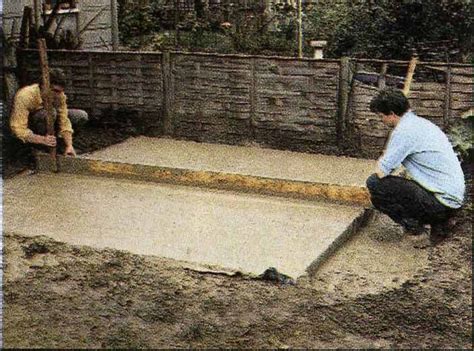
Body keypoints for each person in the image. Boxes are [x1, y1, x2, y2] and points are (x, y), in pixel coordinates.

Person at [366, 88, 465, 244]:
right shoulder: (420, 124)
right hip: (453, 199)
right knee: (399, 184)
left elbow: (381, 172)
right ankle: (440, 223)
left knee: (375, 185)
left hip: (441, 203)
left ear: (391, 114)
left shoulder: (404, 131)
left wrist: (386, 155)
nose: (381, 121)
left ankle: (417, 231)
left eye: (381, 116)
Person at [9, 68, 88, 156]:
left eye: (61, 91)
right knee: (50, 113)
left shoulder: (60, 96)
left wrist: (69, 145)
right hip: (33, 128)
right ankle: (39, 148)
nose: (58, 95)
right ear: (43, 86)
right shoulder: (25, 96)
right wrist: (41, 139)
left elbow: (64, 120)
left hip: (51, 123)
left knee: (81, 115)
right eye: (55, 91)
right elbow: (18, 129)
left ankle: (61, 145)